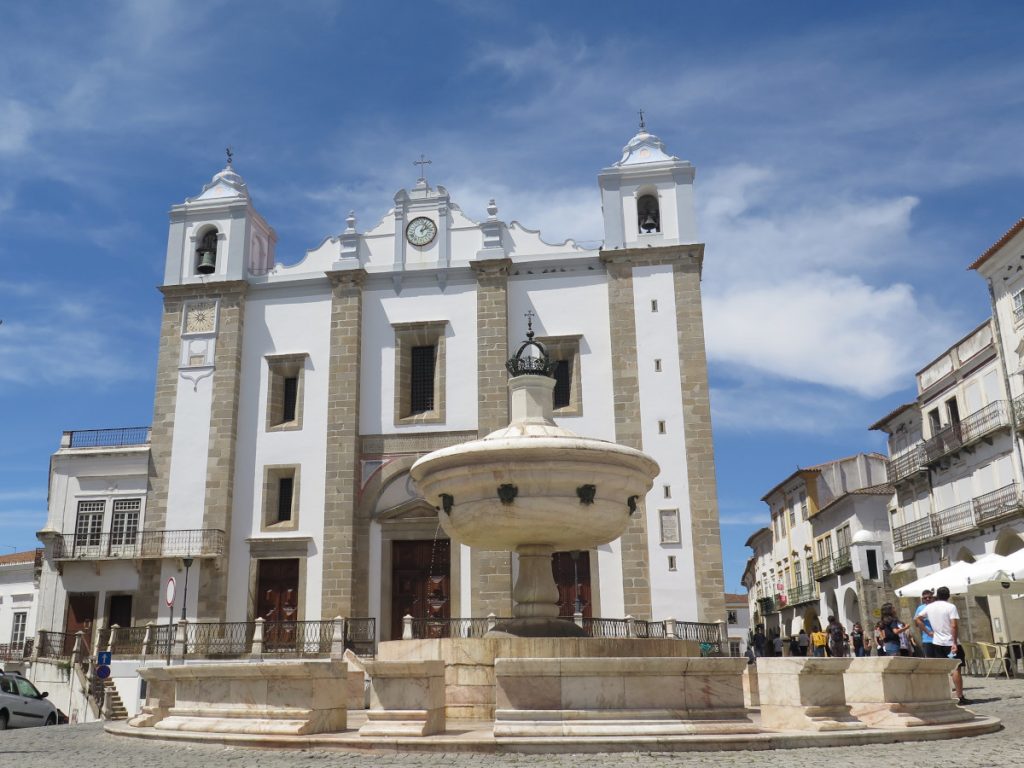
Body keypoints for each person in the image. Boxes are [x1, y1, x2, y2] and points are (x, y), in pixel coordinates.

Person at [917, 585, 968, 705]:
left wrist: (928, 631)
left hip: (936, 641)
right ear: (948, 596)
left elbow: (918, 619)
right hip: (950, 642)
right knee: (956, 669)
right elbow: (954, 625)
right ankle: (959, 695)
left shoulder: (930, 607)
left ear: (937, 596)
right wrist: (954, 642)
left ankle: (944, 694)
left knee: (943, 670)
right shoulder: (950, 607)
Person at [914, 589, 935, 659]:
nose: (928, 599)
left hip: (940, 639)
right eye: (925, 598)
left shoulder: (937, 606)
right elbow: (916, 624)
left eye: (929, 597)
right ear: (922, 599)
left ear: (933, 597)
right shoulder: (920, 608)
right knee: (930, 661)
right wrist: (928, 631)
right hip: (927, 639)